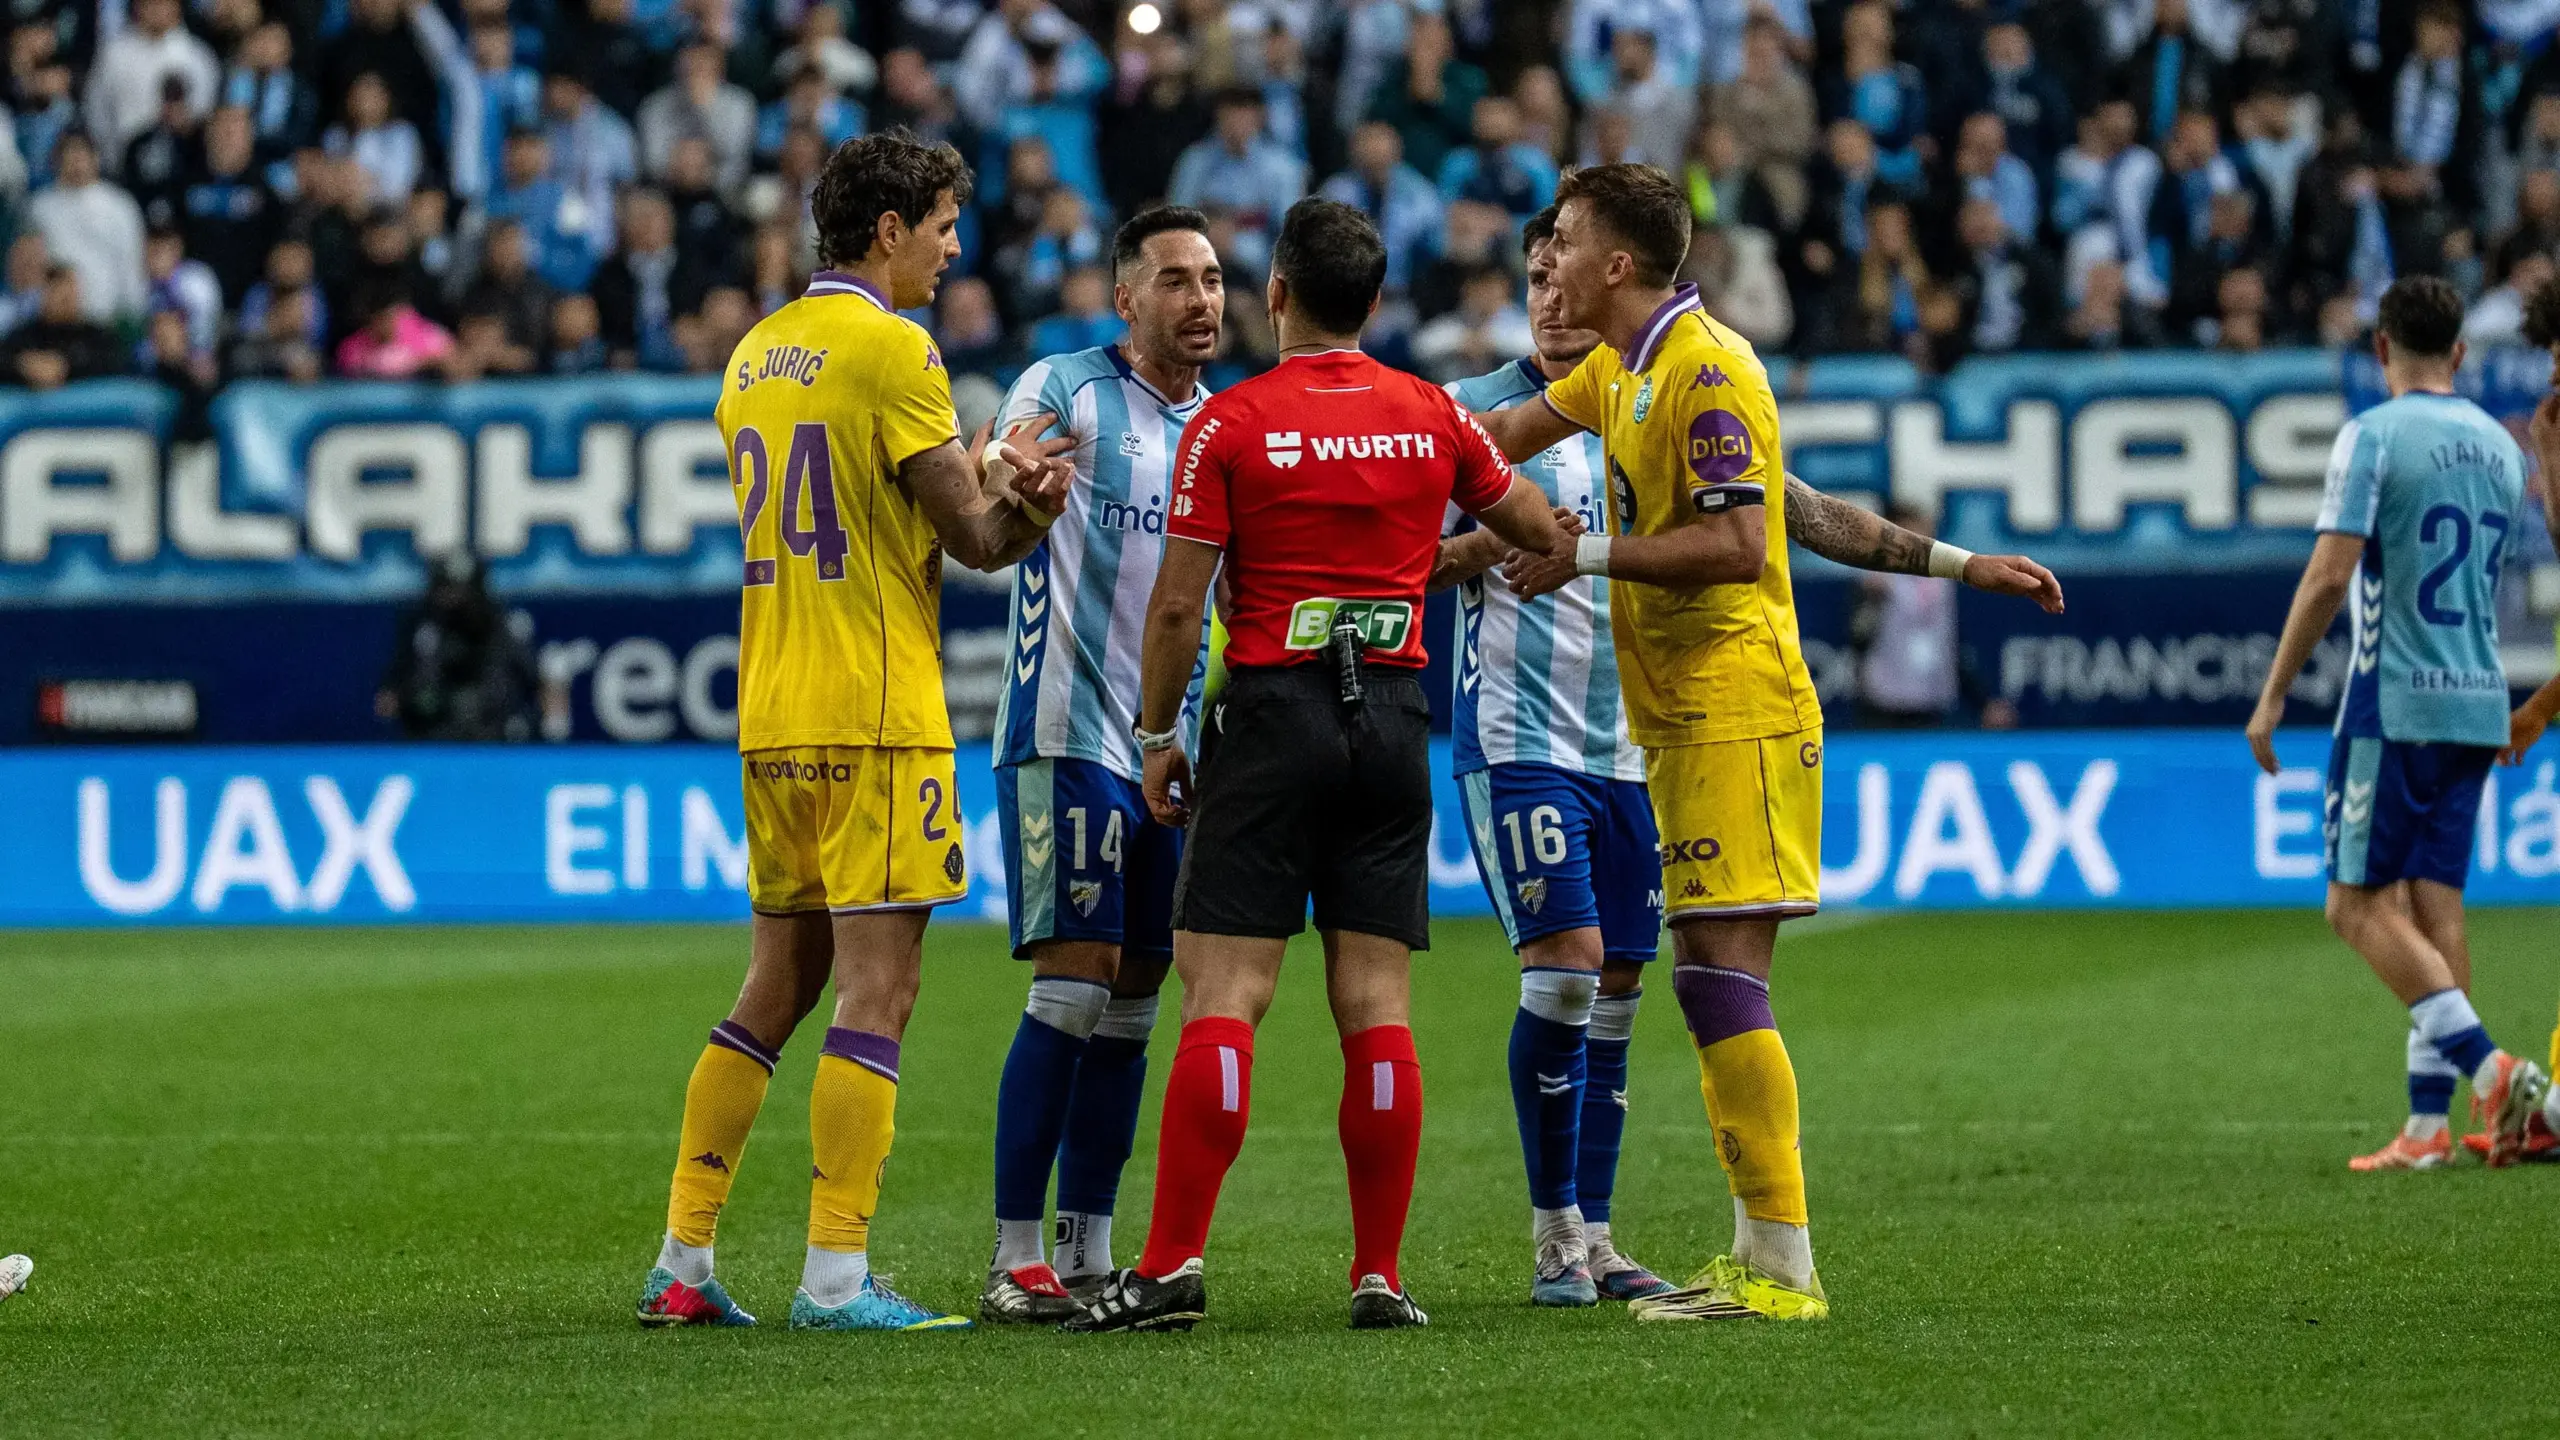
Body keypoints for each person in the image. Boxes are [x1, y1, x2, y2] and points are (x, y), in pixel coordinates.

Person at [1470, 163, 2058, 1322]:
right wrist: (1355, 426)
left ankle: (1780, 1270)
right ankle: (1760, 1255)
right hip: (1679, 720)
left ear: (1620, 265)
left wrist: (1576, 555)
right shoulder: (1619, 372)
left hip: (1736, 707)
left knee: (1719, 980)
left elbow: (1744, 543)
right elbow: (1490, 439)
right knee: (1706, 980)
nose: (1547, 273)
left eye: (1567, 247)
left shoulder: (1707, 367)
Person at [1066, 197, 1573, 1334]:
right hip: (1392, 717)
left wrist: (1156, 739)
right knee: (1376, 1005)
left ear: (1277, 295)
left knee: (1226, 996)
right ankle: (1379, 1274)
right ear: (1378, 302)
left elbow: (1176, 608)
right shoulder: (1432, 411)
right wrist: (1414, 564)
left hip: (1271, 715)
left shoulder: (1230, 425)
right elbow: (1538, 526)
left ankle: (1171, 1266)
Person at [634, 130, 1077, 1336]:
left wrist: (983, 487)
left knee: (776, 981)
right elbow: (975, 541)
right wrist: (1026, 498)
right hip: (878, 714)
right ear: (886, 229)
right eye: (940, 226)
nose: (951, 248)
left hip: (775, 709)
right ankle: (835, 1276)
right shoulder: (895, 349)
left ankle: (683, 1260)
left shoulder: (752, 354)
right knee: (880, 988)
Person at [976, 205, 1224, 1324]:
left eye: (1214, 278)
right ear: (1127, 299)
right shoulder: (1066, 386)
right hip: (1065, 726)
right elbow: (996, 449)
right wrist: (1008, 469)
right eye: (1175, 279)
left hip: (1168, 745)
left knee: (1132, 1002)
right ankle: (1012, 1256)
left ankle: (1087, 1250)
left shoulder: (1225, 428)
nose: (1202, 299)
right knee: (1071, 987)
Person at [2245, 276, 2550, 1172]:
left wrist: (2272, 696)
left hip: (2398, 698)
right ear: (2460, 353)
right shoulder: (2501, 445)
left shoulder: (2373, 436)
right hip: (2479, 693)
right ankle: (2427, 1130)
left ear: (2382, 349)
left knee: (2353, 904)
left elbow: (2330, 576)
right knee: (2434, 903)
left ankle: (2496, 1076)